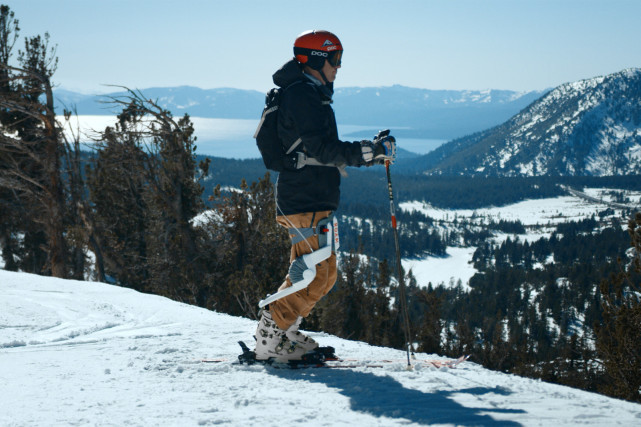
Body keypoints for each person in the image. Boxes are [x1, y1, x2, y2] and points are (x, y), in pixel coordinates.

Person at [255, 30, 396, 362]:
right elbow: (322, 149)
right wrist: (370, 152)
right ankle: (270, 334)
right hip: (304, 199)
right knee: (313, 273)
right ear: (317, 59)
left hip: (312, 199)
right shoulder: (302, 95)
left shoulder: (309, 93)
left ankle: (282, 330)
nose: (339, 67)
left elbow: (318, 150)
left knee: (321, 273)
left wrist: (371, 155)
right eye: (335, 59)